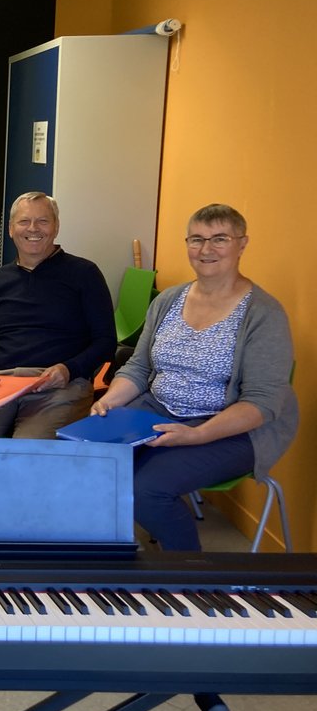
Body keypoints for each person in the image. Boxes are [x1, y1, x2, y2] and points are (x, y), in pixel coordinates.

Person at [92, 204, 297, 552]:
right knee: (83, 461)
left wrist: (196, 435)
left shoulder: (264, 313)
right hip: (157, 410)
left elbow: (262, 403)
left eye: (220, 239)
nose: (206, 249)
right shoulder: (170, 300)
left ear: (242, 243)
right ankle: (103, 555)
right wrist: (111, 400)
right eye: (197, 239)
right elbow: (140, 368)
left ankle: (187, 578)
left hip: (232, 428)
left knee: (148, 490)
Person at [0, 191, 115, 439]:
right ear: (11, 229)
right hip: (0, 382)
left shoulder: (84, 273)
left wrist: (69, 369)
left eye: (43, 221)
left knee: (29, 451)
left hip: (59, 384)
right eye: (24, 221)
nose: (33, 229)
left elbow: (106, 341)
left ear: (56, 227)